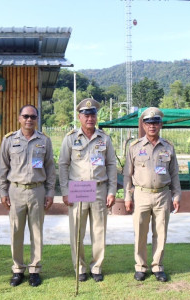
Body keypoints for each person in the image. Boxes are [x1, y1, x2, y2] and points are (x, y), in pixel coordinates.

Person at [58, 98, 117, 282]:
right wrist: (65, 191)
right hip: (78, 188)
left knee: (99, 231)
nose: (90, 118)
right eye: (86, 115)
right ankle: (80, 267)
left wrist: (112, 191)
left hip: (99, 189)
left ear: (96, 116)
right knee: (77, 231)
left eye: (92, 114)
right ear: (79, 117)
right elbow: (63, 165)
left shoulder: (104, 138)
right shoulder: (70, 138)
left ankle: (97, 267)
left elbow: (112, 165)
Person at [0, 104, 56, 287]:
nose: (29, 119)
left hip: (37, 190)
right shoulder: (9, 140)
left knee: (36, 232)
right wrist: (3, 191)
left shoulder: (44, 141)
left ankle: (34, 270)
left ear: (37, 119)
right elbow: (2, 168)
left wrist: (50, 192)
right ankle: (17, 269)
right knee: (16, 231)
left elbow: (50, 168)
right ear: (19, 118)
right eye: (26, 116)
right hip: (15, 191)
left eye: (33, 116)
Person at [123, 107, 181, 282]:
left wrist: (176, 195)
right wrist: (127, 196)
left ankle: (157, 266)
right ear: (143, 125)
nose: (152, 126)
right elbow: (127, 174)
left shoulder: (168, 147)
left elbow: (175, 173)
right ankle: (140, 266)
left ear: (160, 124)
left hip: (163, 195)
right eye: (148, 123)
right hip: (141, 194)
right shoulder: (134, 147)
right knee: (140, 232)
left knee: (160, 232)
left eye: (155, 122)